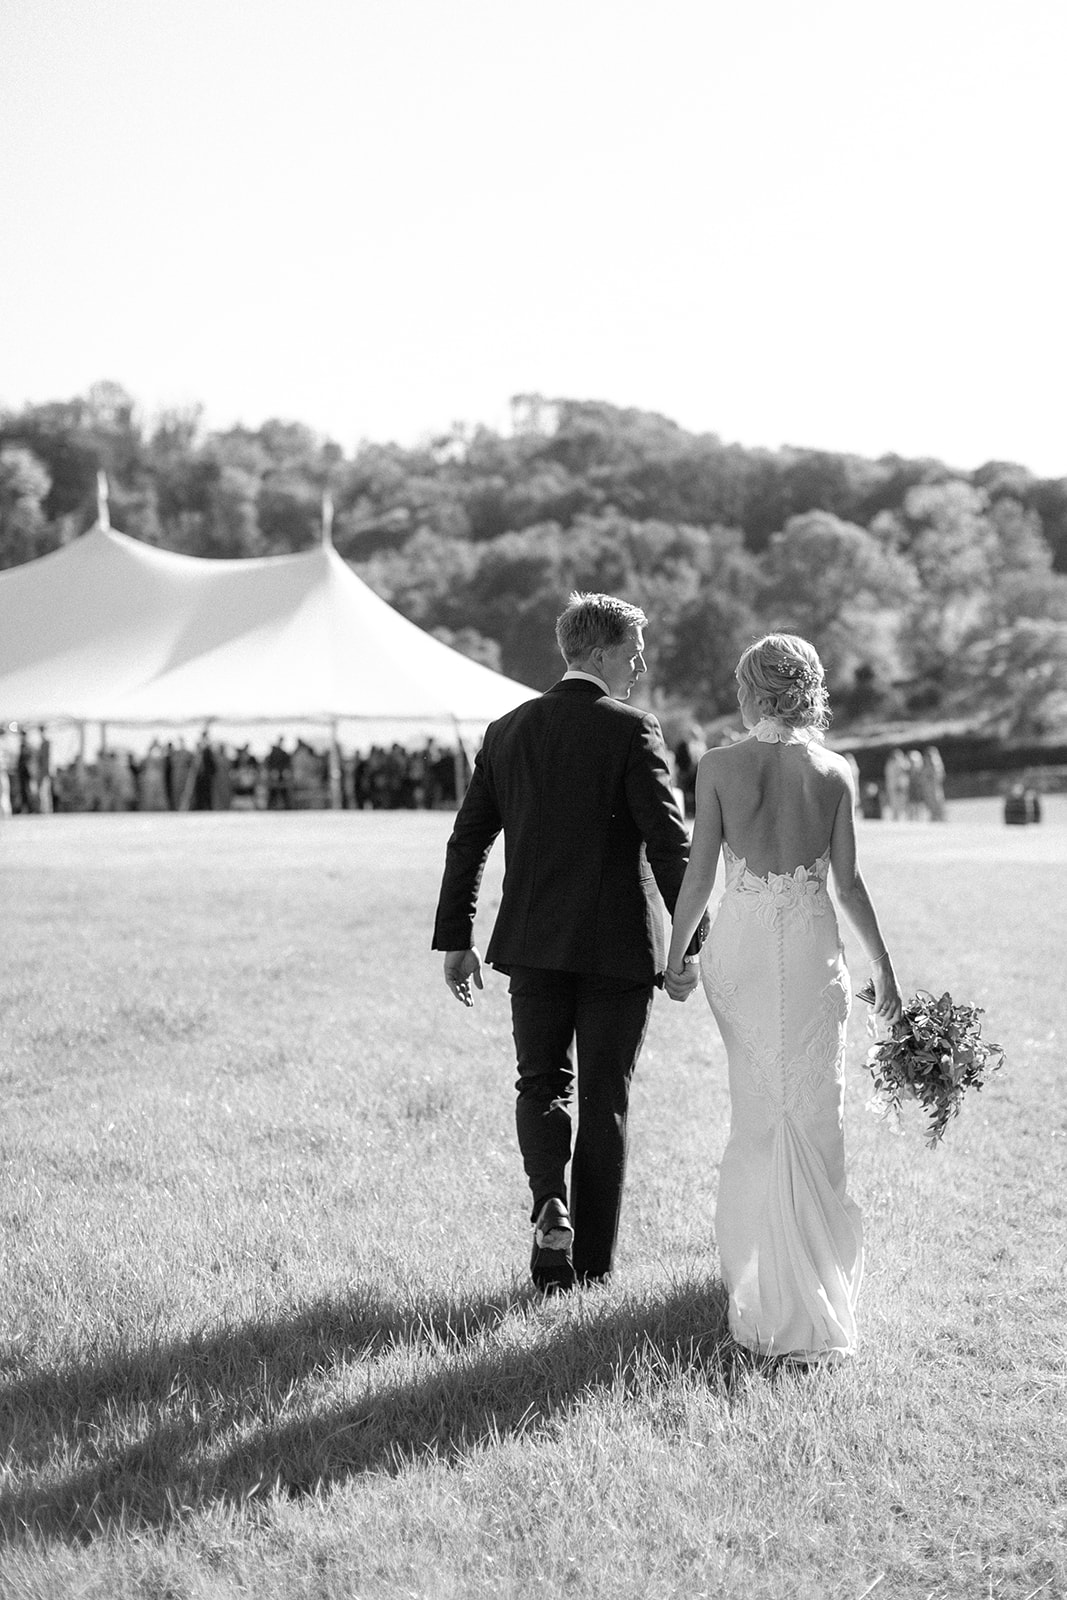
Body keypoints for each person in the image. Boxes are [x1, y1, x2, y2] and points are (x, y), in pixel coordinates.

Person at [432, 592, 706, 1293]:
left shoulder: (506, 730)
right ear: (603, 653)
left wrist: (456, 938)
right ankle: (589, 1269)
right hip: (617, 943)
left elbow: (467, 840)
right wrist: (690, 943)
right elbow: (669, 844)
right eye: (633, 652)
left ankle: (549, 1209)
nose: (640, 665)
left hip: (531, 940)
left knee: (540, 1083)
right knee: (604, 1099)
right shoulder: (632, 730)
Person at [664, 633, 902, 1364]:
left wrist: (675, 958)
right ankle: (813, 1288)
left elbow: (699, 877)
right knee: (810, 1109)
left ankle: (762, 1288)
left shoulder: (718, 766)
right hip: (807, 952)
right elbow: (849, 886)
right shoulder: (834, 771)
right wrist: (884, 971)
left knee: (758, 1110)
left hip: (737, 950)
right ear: (808, 689)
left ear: (748, 690)